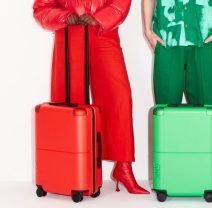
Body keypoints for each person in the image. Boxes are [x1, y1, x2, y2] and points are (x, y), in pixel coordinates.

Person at [33, 0, 149, 194]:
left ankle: (124, 168)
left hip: (103, 32)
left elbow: (121, 3)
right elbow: (41, 7)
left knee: (119, 98)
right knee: (70, 106)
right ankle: (71, 170)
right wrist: (62, 16)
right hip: (69, 33)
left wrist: (99, 18)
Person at [142, 0, 212, 105]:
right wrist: (147, 30)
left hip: (205, 37)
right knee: (166, 110)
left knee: (205, 110)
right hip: (167, 37)